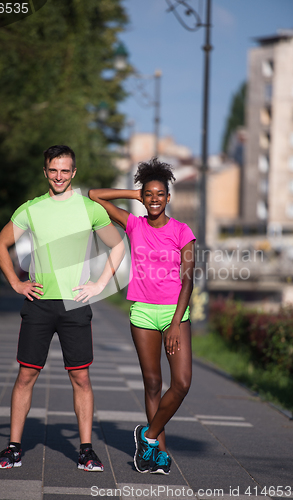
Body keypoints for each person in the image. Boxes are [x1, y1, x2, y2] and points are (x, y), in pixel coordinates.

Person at [0, 145, 124, 471]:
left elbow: (118, 245)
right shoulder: (31, 210)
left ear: (73, 172)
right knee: (26, 376)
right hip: (38, 303)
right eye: (54, 170)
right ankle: (14, 447)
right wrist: (16, 283)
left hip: (75, 304)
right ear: (45, 171)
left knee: (81, 378)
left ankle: (86, 450)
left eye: (65, 170)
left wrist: (99, 284)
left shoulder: (89, 209)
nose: (59, 176)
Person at [89, 158, 195, 475]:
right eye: (148, 194)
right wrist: (133, 195)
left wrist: (176, 323)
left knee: (182, 383)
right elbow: (95, 194)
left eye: (159, 194)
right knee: (152, 384)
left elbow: (189, 279)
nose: (153, 199)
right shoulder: (134, 225)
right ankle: (157, 454)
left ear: (168, 197)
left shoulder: (182, 231)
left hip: (175, 313)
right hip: (143, 313)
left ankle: (147, 435)